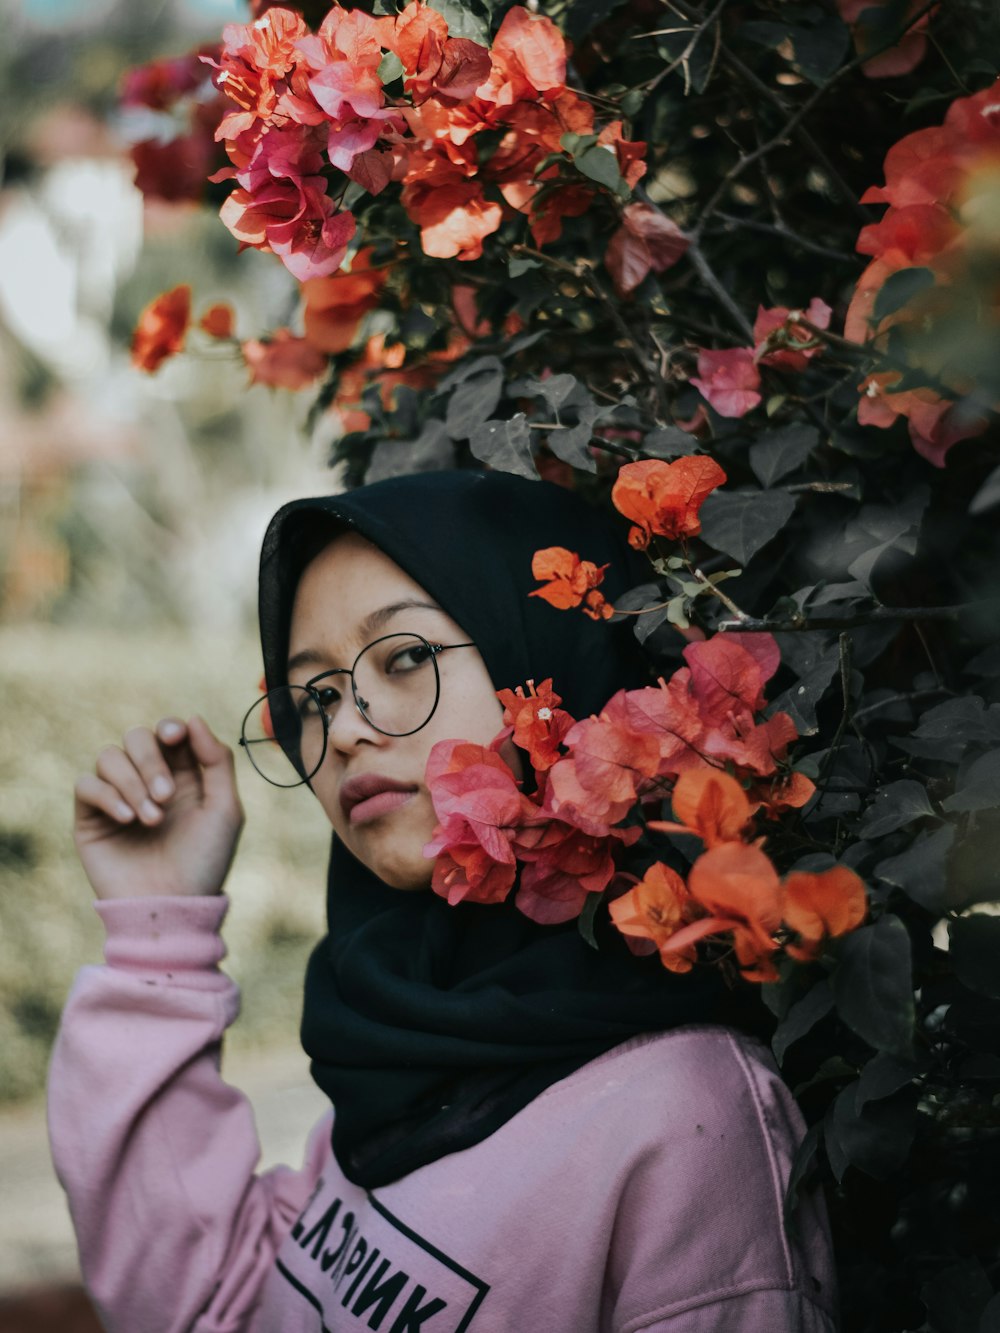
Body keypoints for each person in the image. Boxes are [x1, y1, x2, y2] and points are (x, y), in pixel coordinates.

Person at [50, 469, 838, 1332]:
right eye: (312, 696)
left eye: (405, 658)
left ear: (541, 652)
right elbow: (219, 1303)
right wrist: (157, 927)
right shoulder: (403, 1042)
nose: (343, 728)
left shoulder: (690, 1118)